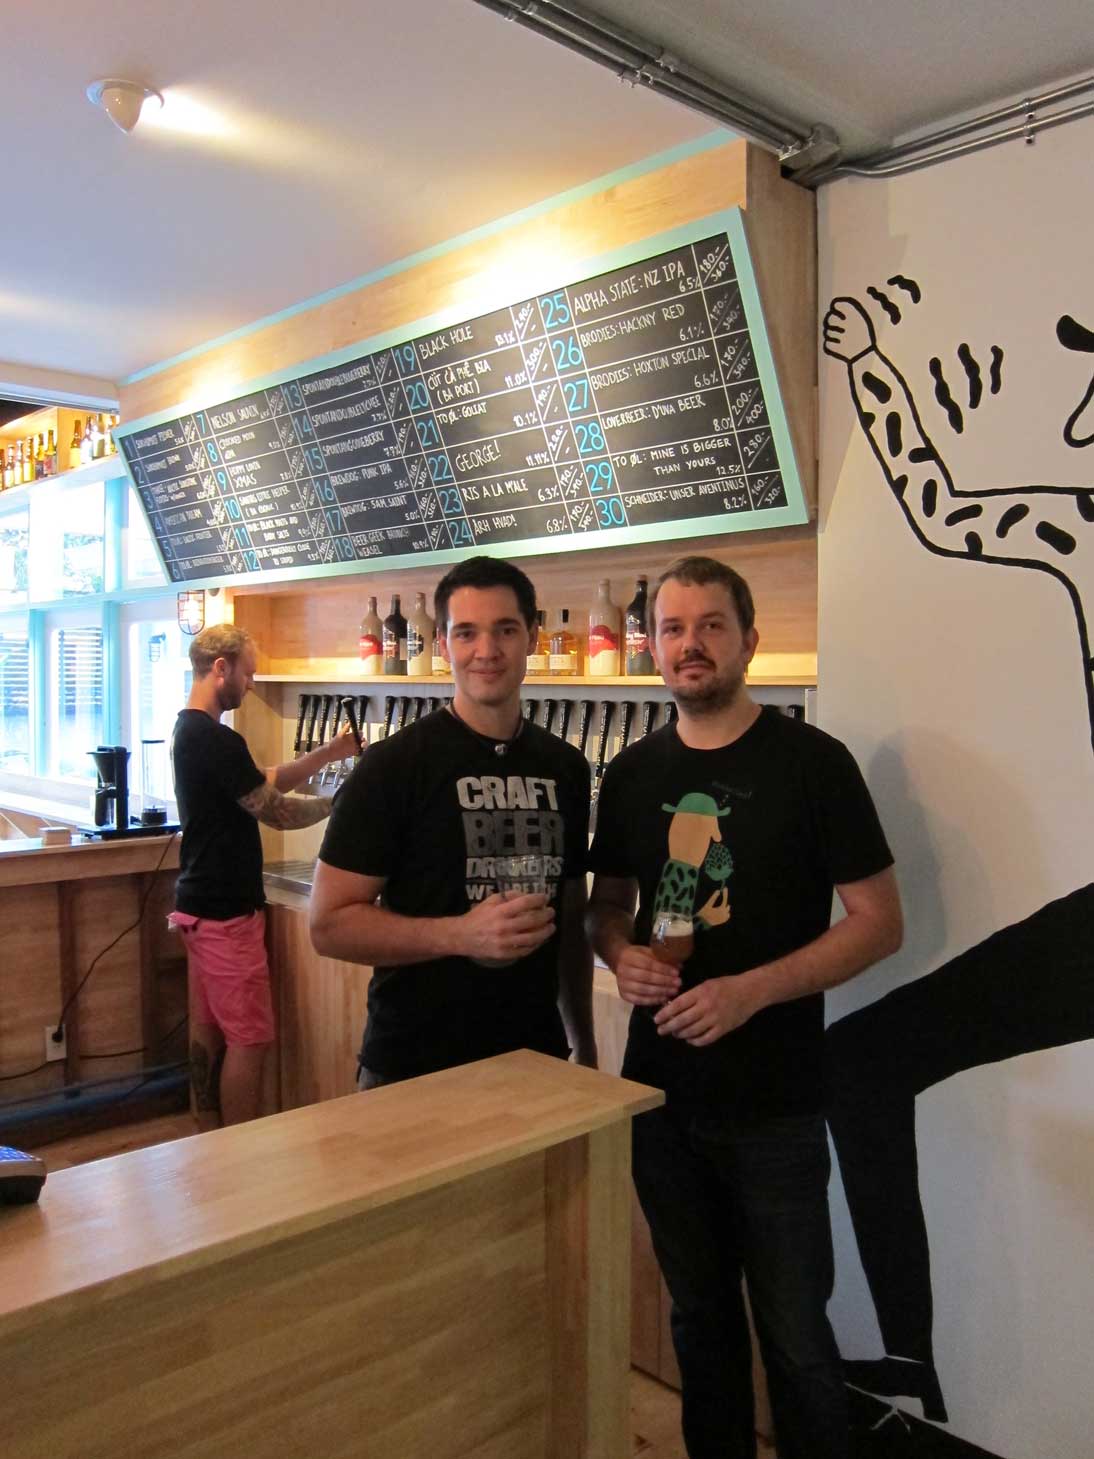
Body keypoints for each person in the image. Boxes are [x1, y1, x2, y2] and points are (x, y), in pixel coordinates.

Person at [586, 555, 902, 1459]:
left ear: (750, 641)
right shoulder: (633, 773)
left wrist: (752, 989)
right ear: (652, 647)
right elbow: (608, 909)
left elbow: (881, 923)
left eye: (711, 625)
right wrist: (621, 955)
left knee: (798, 1339)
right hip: (660, 1100)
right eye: (672, 628)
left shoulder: (814, 764)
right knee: (700, 1325)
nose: (690, 644)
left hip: (777, 1106)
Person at [310, 556, 596, 1086]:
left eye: (505, 630)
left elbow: (571, 918)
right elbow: (328, 926)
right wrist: (461, 935)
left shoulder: (566, 768)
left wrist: (585, 1042)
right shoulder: (393, 766)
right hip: (411, 1066)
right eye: (466, 633)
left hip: (537, 1060)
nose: (487, 651)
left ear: (532, 638)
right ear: (442, 644)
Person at [171, 623, 356, 1127]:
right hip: (227, 914)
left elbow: (260, 781)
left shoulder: (190, 732)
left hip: (196, 908)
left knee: (208, 1031)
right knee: (249, 1040)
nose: (251, 684)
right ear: (221, 668)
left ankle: (206, 1137)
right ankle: (238, 1150)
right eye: (248, 674)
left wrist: (328, 754)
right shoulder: (216, 739)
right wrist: (339, 802)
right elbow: (276, 811)